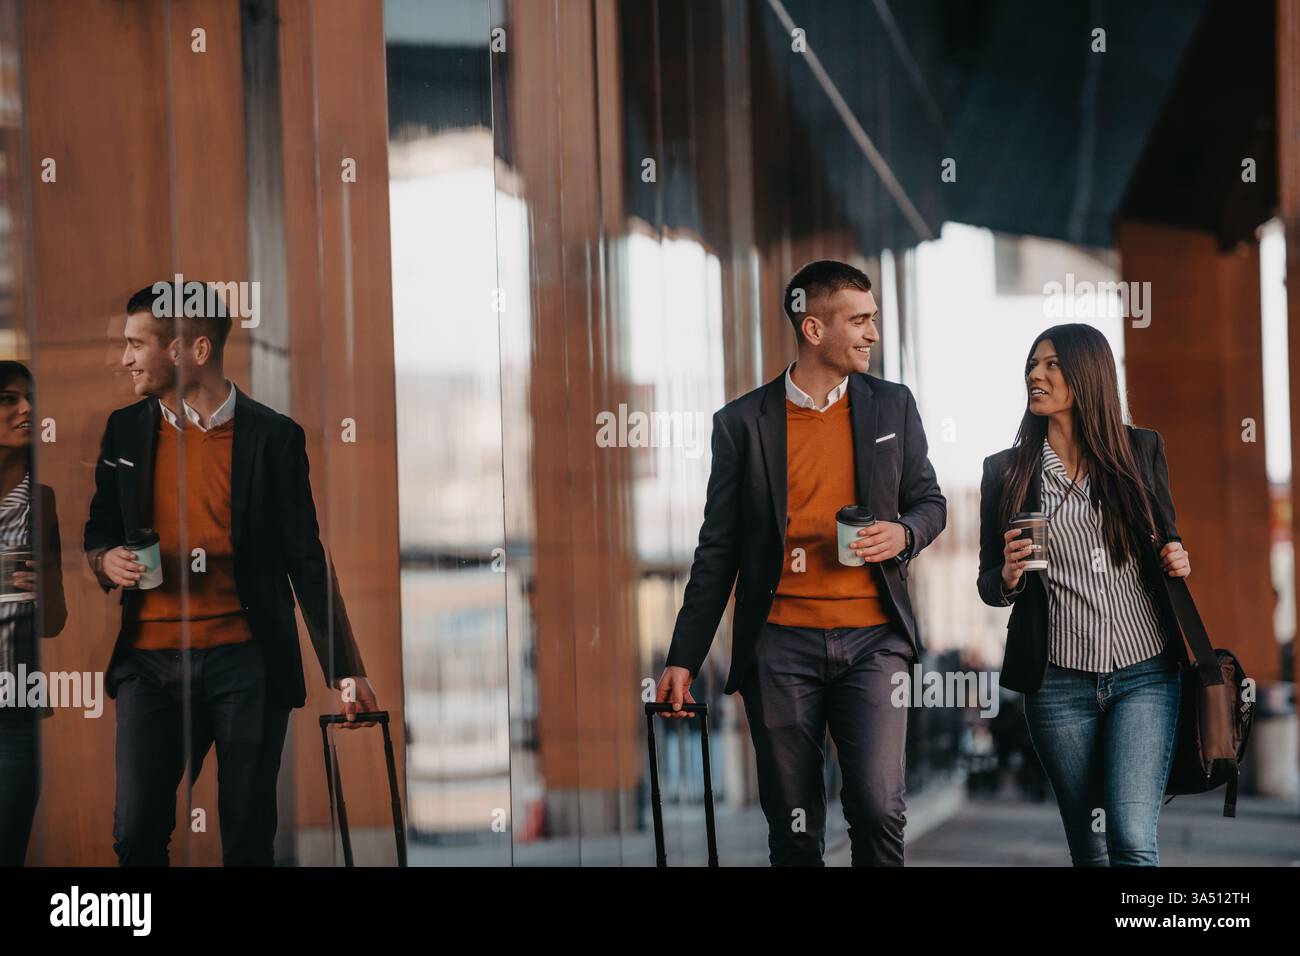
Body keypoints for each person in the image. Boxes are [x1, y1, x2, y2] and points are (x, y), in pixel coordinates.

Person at [656, 259, 947, 865]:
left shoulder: (893, 406)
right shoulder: (741, 424)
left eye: (873, 319)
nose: (872, 333)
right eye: (859, 321)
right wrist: (684, 657)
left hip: (874, 641)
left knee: (878, 809)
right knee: (793, 829)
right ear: (814, 328)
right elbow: (718, 550)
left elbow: (930, 503)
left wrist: (903, 533)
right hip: (780, 646)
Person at [84, 281, 378, 866]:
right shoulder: (124, 429)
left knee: (246, 839)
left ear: (193, 350)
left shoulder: (275, 438)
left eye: (137, 344)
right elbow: (102, 524)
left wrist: (346, 670)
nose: (125, 359)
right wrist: (105, 557)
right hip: (149, 664)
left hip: (245, 662)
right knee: (136, 834)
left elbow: (305, 558)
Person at [977, 323, 1191, 866]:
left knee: (1131, 836)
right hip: (1056, 684)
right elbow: (988, 583)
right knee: (1091, 845)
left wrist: (1177, 554)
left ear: (1087, 375)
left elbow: (1168, 540)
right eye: (1033, 363)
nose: (1036, 374)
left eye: (1051, 364)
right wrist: (1008, 576)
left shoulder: (1140, 450)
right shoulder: (1006, 472)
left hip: (1145, 672)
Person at [0, 361, 67, 866]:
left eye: (30, 398)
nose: (26, 409)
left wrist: (42, 590)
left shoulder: (40, 501)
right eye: (8, 399)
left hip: (16, 710)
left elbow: (56, 621)